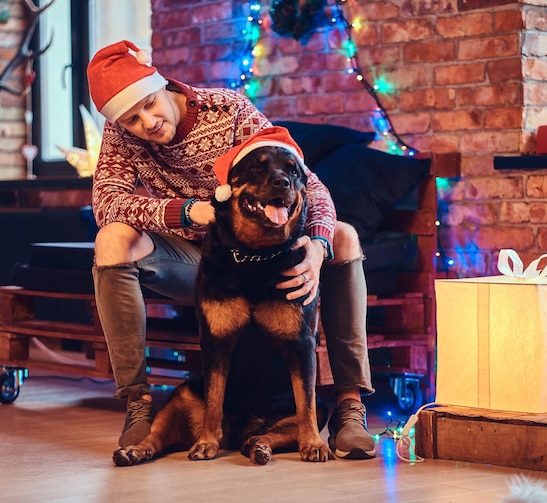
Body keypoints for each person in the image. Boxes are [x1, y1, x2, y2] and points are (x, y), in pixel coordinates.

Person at [86, 40, 376, 460]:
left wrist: (316, 247)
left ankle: (350, 407)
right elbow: (107, 203)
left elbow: (306, 183)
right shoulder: (120, 134)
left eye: (150, 104)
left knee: (343, 235)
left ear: (163, 85)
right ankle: (138, 403)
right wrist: (186, 212)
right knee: (111, 238)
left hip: (266, 253)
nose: (147, 122)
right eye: (132, 119)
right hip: (197, 262)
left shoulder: (229, 109)